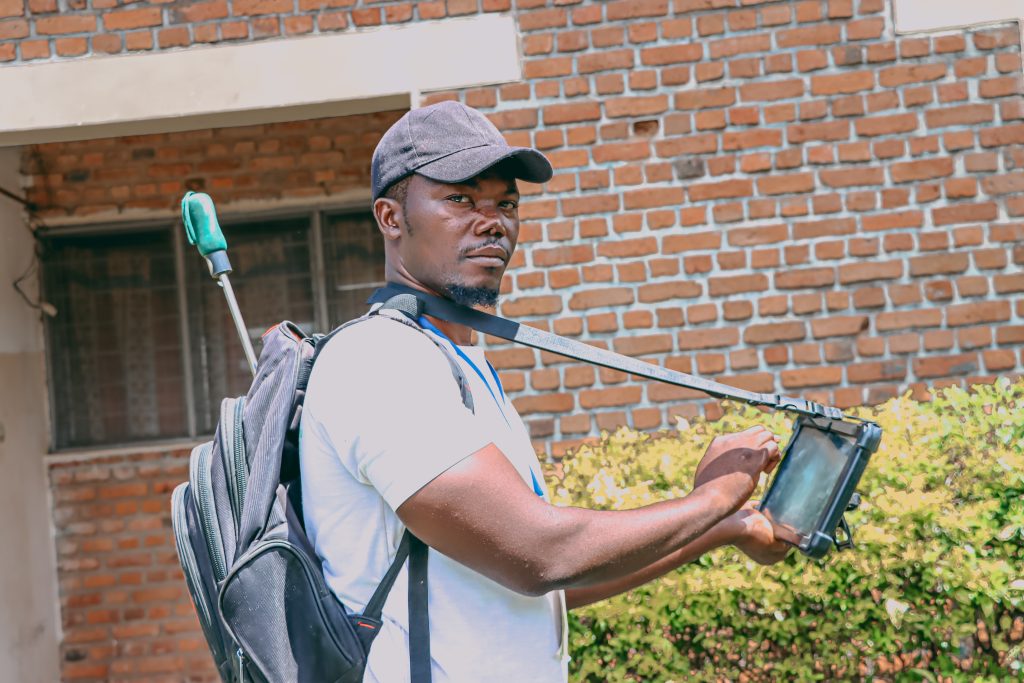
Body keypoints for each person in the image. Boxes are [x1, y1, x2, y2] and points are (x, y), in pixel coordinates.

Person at [299, 101, 790, 683]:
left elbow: (545, 585)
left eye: (505, 203)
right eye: (460, 199)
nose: (492, 221)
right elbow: (542, 554)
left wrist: (724, 527)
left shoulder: (456, 362)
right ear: (391, 217)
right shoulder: (379, 361)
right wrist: (713, 499)